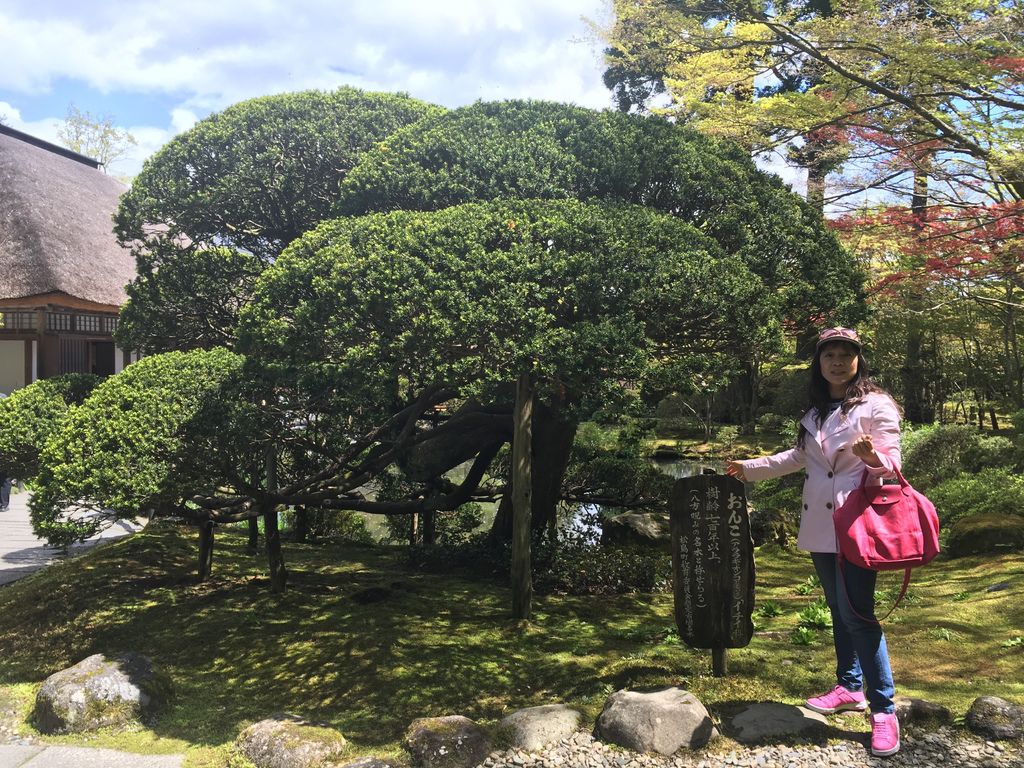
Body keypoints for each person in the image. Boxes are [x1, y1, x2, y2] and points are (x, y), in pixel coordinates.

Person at [726, 327, 903, 758]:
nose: (837, 362)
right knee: (839, 611)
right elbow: (798, 458)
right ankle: (850, 687)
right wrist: (749, 467)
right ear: (819, 362)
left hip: (856, 523)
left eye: (845, 354)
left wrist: (872, 459)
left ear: (858, 360)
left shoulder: (876, 405)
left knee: (858, 615)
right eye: (829, 355)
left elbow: (893, 464)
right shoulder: (817, 411)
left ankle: (884, 709)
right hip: (821, 527)